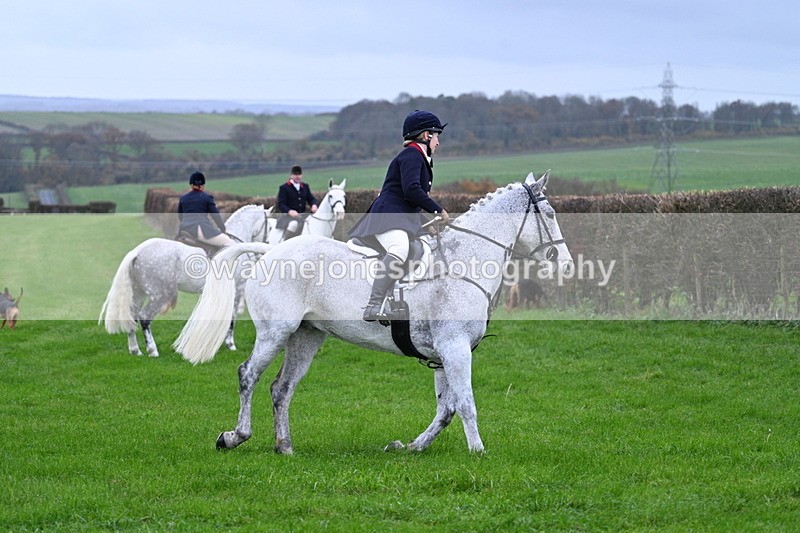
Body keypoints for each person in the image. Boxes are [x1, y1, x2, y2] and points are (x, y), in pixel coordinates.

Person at [348, 110, 450, 321]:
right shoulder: (412, 155)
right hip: (388, 216)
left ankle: (397, 300)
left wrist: (425, 223)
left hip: (400, 216)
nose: (438, 142)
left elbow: (410, 199)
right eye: (436, 135)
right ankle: (374, 304)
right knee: (399, 248)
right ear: (425, 135)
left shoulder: (419, 157)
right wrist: (436, 209)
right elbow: (412, 190)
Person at [177, 171, 234, 247]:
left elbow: (180, 217)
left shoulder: (183, 198)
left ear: (191, 184)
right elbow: (215, 216)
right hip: (200, 230)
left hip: (184, 229)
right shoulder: (207, 197)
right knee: (231, 243)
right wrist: (223, 230)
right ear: (202, 185)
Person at [276, 165, 319, 239]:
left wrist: (314, 205)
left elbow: (311, 199)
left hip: (302, 216)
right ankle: (285, 243)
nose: (297, 176)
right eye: (295, 174)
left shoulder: (305, 187)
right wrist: (289, 211)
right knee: (293, 225)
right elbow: (281, 204)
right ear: (291, 175)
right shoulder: (284, 188)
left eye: (299, 174)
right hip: (289, 217)